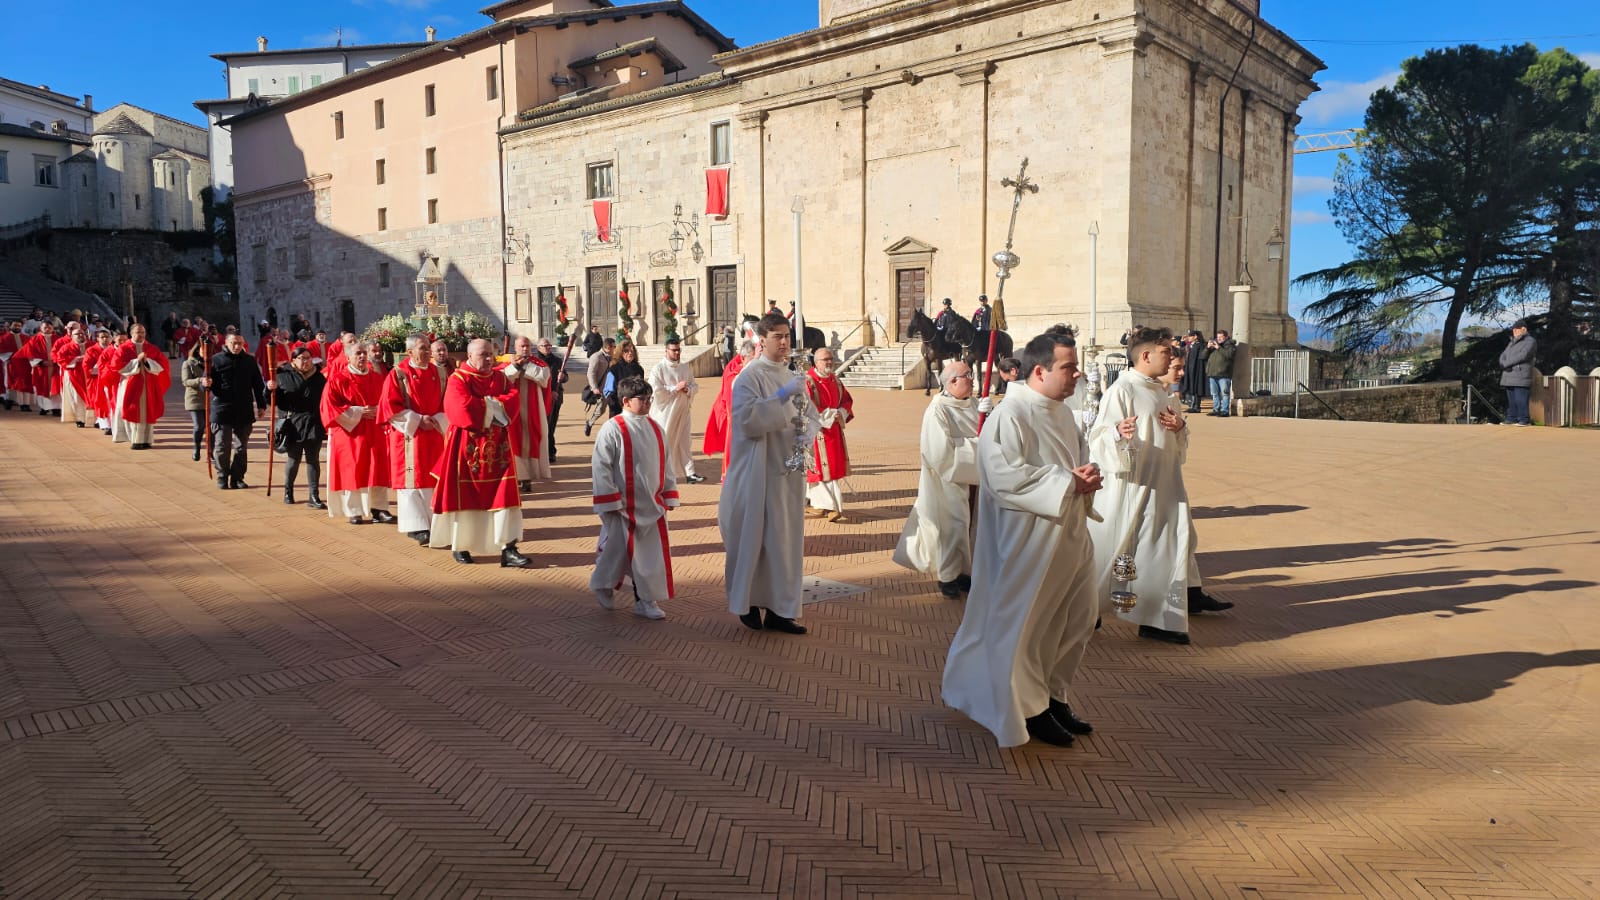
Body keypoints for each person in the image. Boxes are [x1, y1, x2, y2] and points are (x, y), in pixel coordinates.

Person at [942, 330, 1106, 748]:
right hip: (1026, 544)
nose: (1077, 374)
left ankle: (1054, 695)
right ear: (1039, 370)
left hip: (1069, 532)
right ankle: (1028, 709)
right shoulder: (1010, 414)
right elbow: (1002, 476)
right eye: (1069, 367)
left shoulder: (1063, 413)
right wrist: (1067, 482)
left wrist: (1084, 477)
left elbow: (1078, 460)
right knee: (1030, 626)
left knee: (1078, 617)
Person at [1085, 326, 1228, 647]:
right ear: (1146, 355)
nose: (1173, 357)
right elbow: (1097, 439)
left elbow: (1178, 441)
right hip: (1133, 488)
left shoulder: (1163, 392)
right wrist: (1115, 434)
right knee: (1116, 550)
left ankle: (1158, 618)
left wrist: (1180, 427)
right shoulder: (1121, 391)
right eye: (1166, 351)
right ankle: (1086, 608)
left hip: (1165, 486)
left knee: (1165, 550)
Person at [718, 312, 820, 635]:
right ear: (761, 341)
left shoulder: (793, 375)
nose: (785, 342)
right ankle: (747, 603)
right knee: (755, 538)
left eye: (787, 336)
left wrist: (808, 432)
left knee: (784, 541)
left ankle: (780, 609)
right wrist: (782, 397)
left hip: (786, 473)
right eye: (778, 336)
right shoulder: (748, 377)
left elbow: (809, 415)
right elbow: (747, 420)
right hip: (757, 471)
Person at [427, 338, 531, 567]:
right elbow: (460, 408)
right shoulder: (458, 379)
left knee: (505, 497)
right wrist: (494, 405)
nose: (488, 359)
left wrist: (483, 404)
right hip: (467, 448)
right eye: (483, 355)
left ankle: (508, 548)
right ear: (470, 356)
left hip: (499, 450)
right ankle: (461, 545)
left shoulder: (501, 377)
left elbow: (512, 401)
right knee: (466, 496)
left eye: (490, 355)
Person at [590, 375, 679, 620]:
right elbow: (601, 467)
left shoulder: (656, 428)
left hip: (651, 505)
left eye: (650, 398)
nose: (649, 403)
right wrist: (609, 501)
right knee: (617, 552)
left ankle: (646, 601)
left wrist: (668, 494)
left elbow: (666, 463)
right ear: (626, 401)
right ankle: (603, 583)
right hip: (621, 506)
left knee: (650, 557)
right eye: (644, 399)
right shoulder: (613, 428)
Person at [893, 360, 984, 598]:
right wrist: (979, 448)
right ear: (952, 381)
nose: (973, 379)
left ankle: (966, 572)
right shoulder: (937, 410)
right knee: (952, 527)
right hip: (948, 479)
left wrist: (992, 416)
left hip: (975, 478)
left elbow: (990, 435)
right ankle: (948, 577)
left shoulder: (974, 404)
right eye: (968, 375)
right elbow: (938, 453)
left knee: (972, 526)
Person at [378, 334, 449, 543]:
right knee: (411, 481)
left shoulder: (441, 373)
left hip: (434, 432)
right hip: (409, 436)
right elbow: (389, 407)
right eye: (422, 348)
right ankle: (415, 526)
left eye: (428, 348)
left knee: (432, 478)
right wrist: (418, 420)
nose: (427, 352)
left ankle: (433, 522)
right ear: (409, 352)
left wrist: (437, 419)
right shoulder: (398, 374)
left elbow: (448, 402)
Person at [320, 343, 395, 524]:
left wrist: (379, 410)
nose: (362, 357)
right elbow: (329, 407)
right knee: (353, 469)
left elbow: (388, 401)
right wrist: (359, 411)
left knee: (378, 468)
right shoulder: (338, 379)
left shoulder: (377, 378)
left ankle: (379, 508)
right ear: (348, 358)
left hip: (374, 429)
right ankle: (354, 510)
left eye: (363, 353)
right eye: (357, 354)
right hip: (350, 432)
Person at [206, 332, 269, 490]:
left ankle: (237, 477)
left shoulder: (249, 360)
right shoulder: (215, 360)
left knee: (241, 447)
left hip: (244, 408)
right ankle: (222, 475)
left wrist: (261, 405)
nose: (237, 346)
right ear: (226, 343)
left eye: (240, 343)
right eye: (233, 343)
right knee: (222, 445)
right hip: (222, 409)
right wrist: (205, 383)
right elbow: (205, 382)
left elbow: (257, 384)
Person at [272, 347, 328, 509]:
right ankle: (288, 491)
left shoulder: (319, 378)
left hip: (313, 423)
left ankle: (314, 496)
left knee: (313, 460)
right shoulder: (283, 376)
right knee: (293, 459)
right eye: (302, 358)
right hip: (293, 425)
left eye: (308, 358)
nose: (306, 361)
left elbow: (325, 400)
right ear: (293, 361)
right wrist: (269, 390)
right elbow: (273, 400)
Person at [804, 347, 854, 522]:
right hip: (815, 432)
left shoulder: (836, 380)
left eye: (831, 359)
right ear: (816, 362)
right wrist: (829, 415)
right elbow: (806, 405)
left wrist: (841, 412)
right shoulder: (808, 381)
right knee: (821, 470)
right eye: (825, 359)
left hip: (834, 431)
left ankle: (819, 505)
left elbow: (847, 400)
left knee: (830, 469)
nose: (829, 362)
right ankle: (831, 506)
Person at [500, 335, 553, 490]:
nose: (525, 349)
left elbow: (544, 378)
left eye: (527, 346)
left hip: (533, 409)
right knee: (512, 440)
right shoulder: (505, 363)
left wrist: (526, 366)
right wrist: (516, 367)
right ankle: (516, 476)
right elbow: (502, 378)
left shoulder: (539, 363)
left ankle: (528, 478)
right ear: (515, 348)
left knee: (533, 439)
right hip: (512, 410)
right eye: (522, 346)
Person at [647, 337, 702, 484]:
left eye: (679, 350)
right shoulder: (658, 369)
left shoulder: (685, 368)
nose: (677, 353)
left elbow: (695, 386)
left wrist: (688, 389)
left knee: (685, 442)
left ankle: (690, 474)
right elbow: (655, 390)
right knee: (665, 443)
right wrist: (674, 388)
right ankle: (659, 473)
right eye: (674, 350)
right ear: (666, 351)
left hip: (682, 410)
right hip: (665, 413)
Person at [110, 323, 170, 449]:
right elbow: (116, 365)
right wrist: (137, 361)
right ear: (131, 334)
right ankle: (135, 440)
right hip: (130, 385)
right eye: (138, 332)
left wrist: (147, 362)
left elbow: (162, 364)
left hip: (148, 385)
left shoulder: (152, 348)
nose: (141, 335)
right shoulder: (124, 348)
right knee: (133, 410)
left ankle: (146, 440)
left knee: (148, 410)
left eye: (143, 332)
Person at [51, 322, 93, 427]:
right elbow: (60, 359)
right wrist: (76, 359)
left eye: (82, 333)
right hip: (74, 375)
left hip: (90, 376)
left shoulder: (92, 345)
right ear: (72, 336)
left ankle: (93, 419)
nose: (80, 336)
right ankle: (80, 419)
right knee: (77, 398)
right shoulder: (66, 347)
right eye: (77, 334)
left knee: (92, 396)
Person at [534, 337, 568, 462]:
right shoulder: (535, 362)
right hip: (541, 398)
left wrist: (563, 376)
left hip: (556, 398)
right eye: (544, 346)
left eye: (549, 346)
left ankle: (550, 451)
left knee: (551, 425)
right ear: (538, 348)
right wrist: (549, 393)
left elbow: (565, 378)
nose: (548, 348)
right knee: (543, 425)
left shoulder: (557, 361)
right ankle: (543, 451)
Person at [1499, 319, 1537, 427]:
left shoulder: (1530, 341)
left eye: (1517, 330)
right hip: (1509, 375)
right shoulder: (1511, 342)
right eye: (1513, 330)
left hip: (1521, 375)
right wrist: (1502, 362)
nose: (1514, 332)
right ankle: (1511, 418)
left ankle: (1524, 420)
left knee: (1521, 399)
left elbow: (1523, 356)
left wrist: (1506, 364)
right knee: (1511, 400)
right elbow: (1503, 355)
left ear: (1523, 329)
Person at [180, 344, 208, 460]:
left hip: (209, 399)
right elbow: (186, 381)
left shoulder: (212, 362)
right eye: (204, 349)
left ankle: (210, 451)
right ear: (197, 350)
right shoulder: (188, 363)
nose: (206, 351)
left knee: (211, 427)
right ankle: (196, 447)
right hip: (194, 398)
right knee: (199, 425)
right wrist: (200, 380)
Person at [584, 337, 615, 436]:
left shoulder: (614, 357)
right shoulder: (596, 357)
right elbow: (591, 373)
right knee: (601, 409)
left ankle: (613, 429)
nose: (615, 348)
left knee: (615, 408)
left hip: (613, 388)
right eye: (614, 347)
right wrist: (594, 388)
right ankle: (590, 423)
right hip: (601, 389)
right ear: (607, 347)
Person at [605, 341, 644, 417]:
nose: (630, 353)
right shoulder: (614, 369)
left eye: (632, 351)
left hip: (635, 410)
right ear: (621, 353)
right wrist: (616, 405)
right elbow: (608, 391)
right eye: (626, 351)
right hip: (618, 410)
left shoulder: (639, 369)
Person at [1204, 330, 1236, 417]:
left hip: (1224, 374)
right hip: (1212, 373)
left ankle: (1224, 411)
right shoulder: (1213, 347)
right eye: (1217, 337)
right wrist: (1207, 347)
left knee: (1224, 393)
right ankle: (1216, 409)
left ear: (1225, 337)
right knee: (1214, 394)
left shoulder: (1230, 346)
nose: (1218, 339)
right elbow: (1203, 356)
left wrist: (1218, 348)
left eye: (1220, 337)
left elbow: (1229, 356)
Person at [1180, 330, 1207, 413]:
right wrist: (1182, 342)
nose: (1189, 337)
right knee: (1190, 387)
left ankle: (1197, 406)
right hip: (1190, 369)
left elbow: (1202, 357)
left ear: (1195, 336)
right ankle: (1192, 405)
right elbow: (1182, 350)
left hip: (1197, 369)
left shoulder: (1201, 345)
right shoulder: (1191, 345)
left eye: (1191, 336)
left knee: (1197, 387)